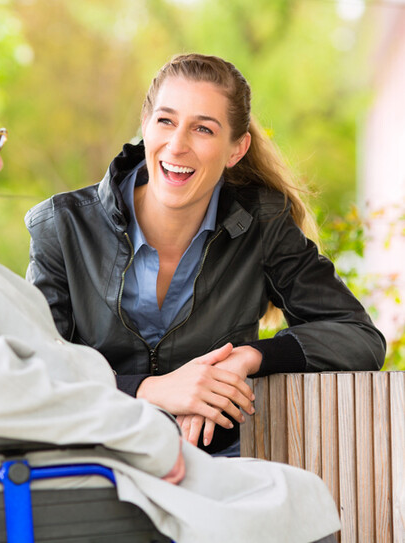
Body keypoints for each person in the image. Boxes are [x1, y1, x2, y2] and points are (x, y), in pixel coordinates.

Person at [0, 32, 340, 542]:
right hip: (32, 479)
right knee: (293, 498)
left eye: (204, 129)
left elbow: (3, 376)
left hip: (49, 463)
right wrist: (150, 436)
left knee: (280, 492)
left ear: (235, 147)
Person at [25, 53, 386, 456]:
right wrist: (150, 390)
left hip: (218, 467)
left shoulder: (262, 224)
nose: (177, 145)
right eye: (166, 121)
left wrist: (248, 359)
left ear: (236, 149)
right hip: (94, 463)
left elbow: (358, 338)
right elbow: (35, 368)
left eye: (203, 129)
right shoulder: (63, 226)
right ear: (145, 125)